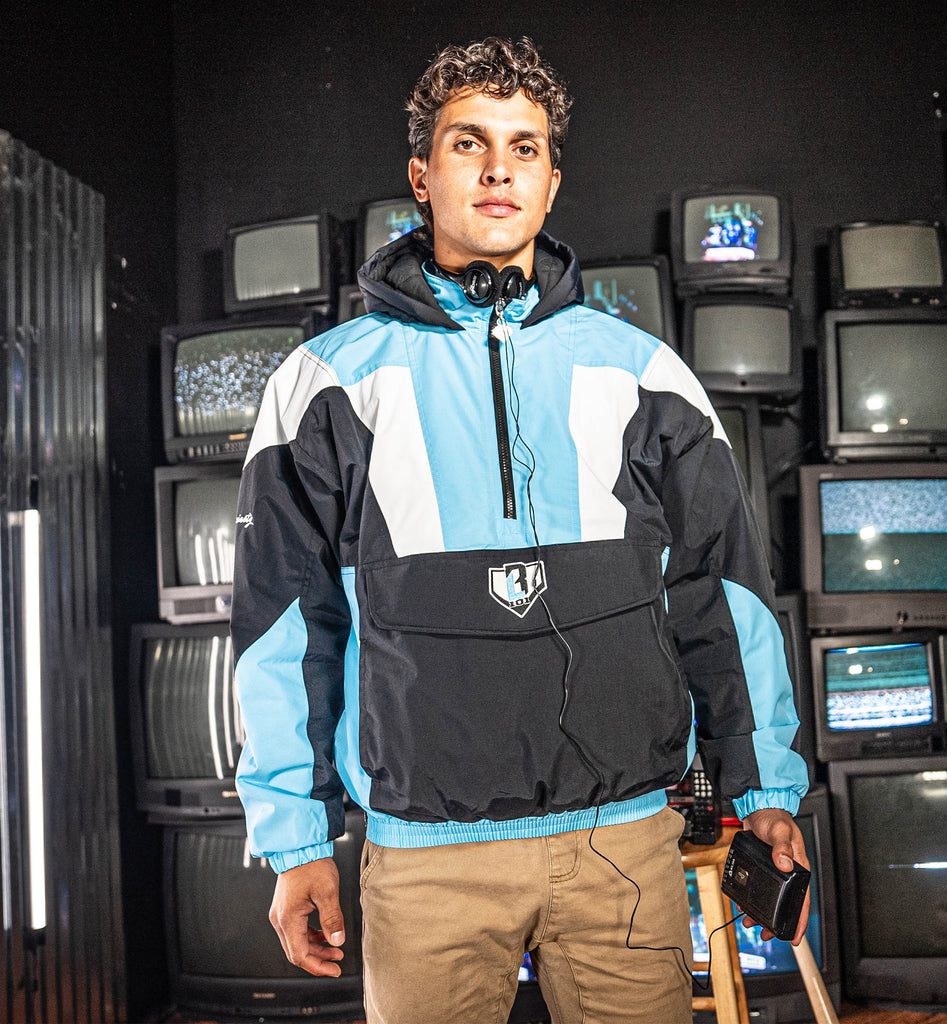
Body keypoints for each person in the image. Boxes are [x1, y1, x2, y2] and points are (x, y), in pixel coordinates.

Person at [231, 35, 809, 1024]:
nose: (498, 167)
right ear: (420, 174)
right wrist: (293, 843)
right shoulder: (323, 382)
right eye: (468, 143)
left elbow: (723, 591)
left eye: (524, 147)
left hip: (622, 850)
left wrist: (765, 782)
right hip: (422, 863)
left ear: (549, 184)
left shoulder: (642, 371)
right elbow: (286, 627)